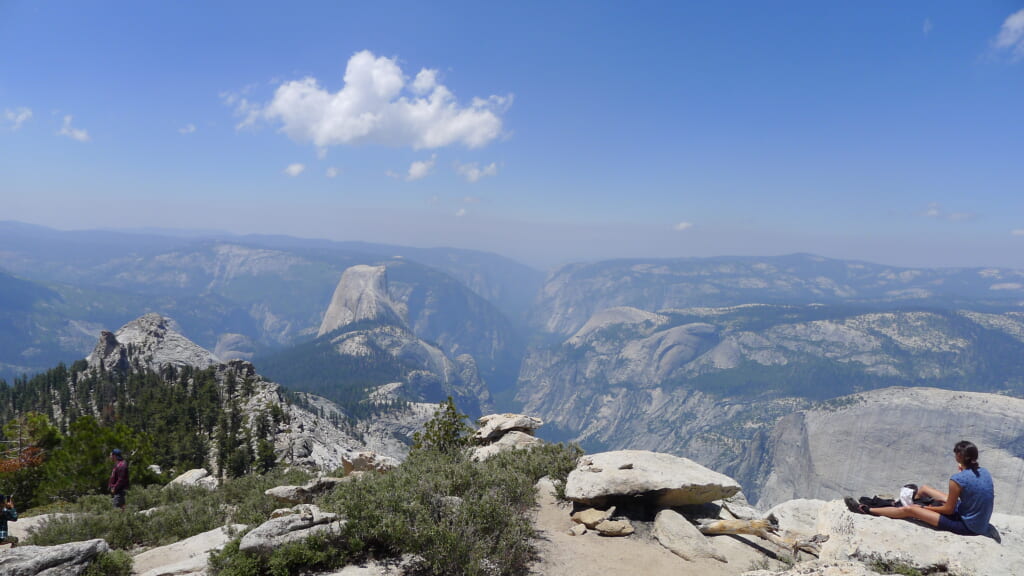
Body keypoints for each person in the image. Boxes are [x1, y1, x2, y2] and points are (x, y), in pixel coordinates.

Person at [847, 440, 994, 536]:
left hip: (968, 526)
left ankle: (866, 510)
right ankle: (906, 503)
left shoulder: (957, 479)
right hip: (973, 516)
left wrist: (926, 509)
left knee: (910, 510)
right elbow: (972, 487)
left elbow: (948, 510)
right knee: (924, 489)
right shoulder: (984, 472)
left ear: (960, 456)